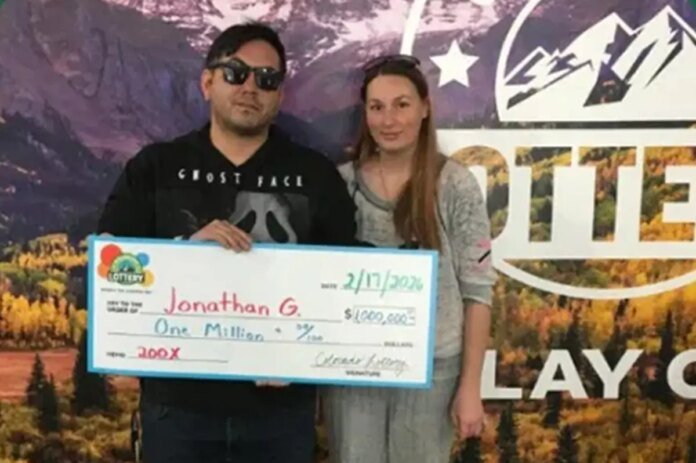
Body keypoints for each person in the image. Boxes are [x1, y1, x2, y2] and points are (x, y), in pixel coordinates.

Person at [97, 22, 357, 463]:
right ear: (207, 82)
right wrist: (185, 253)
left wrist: (305, 356)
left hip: (281, 415)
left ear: (280, 95)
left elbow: (344, 285)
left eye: (267, 79)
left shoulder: (315, 175)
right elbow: (110, 268)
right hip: (176, 409)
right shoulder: (155, 167)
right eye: (236, 73)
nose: (250, 87)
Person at [324, 54, 495, 463]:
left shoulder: (455, 184)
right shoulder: (340, 184)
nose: (389, 120)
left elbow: (477, 291)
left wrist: (470, 387)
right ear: (365, 114)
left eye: (401, 104)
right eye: (376, 107)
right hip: (354, 364)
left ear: (424, 108)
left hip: (433, 367)